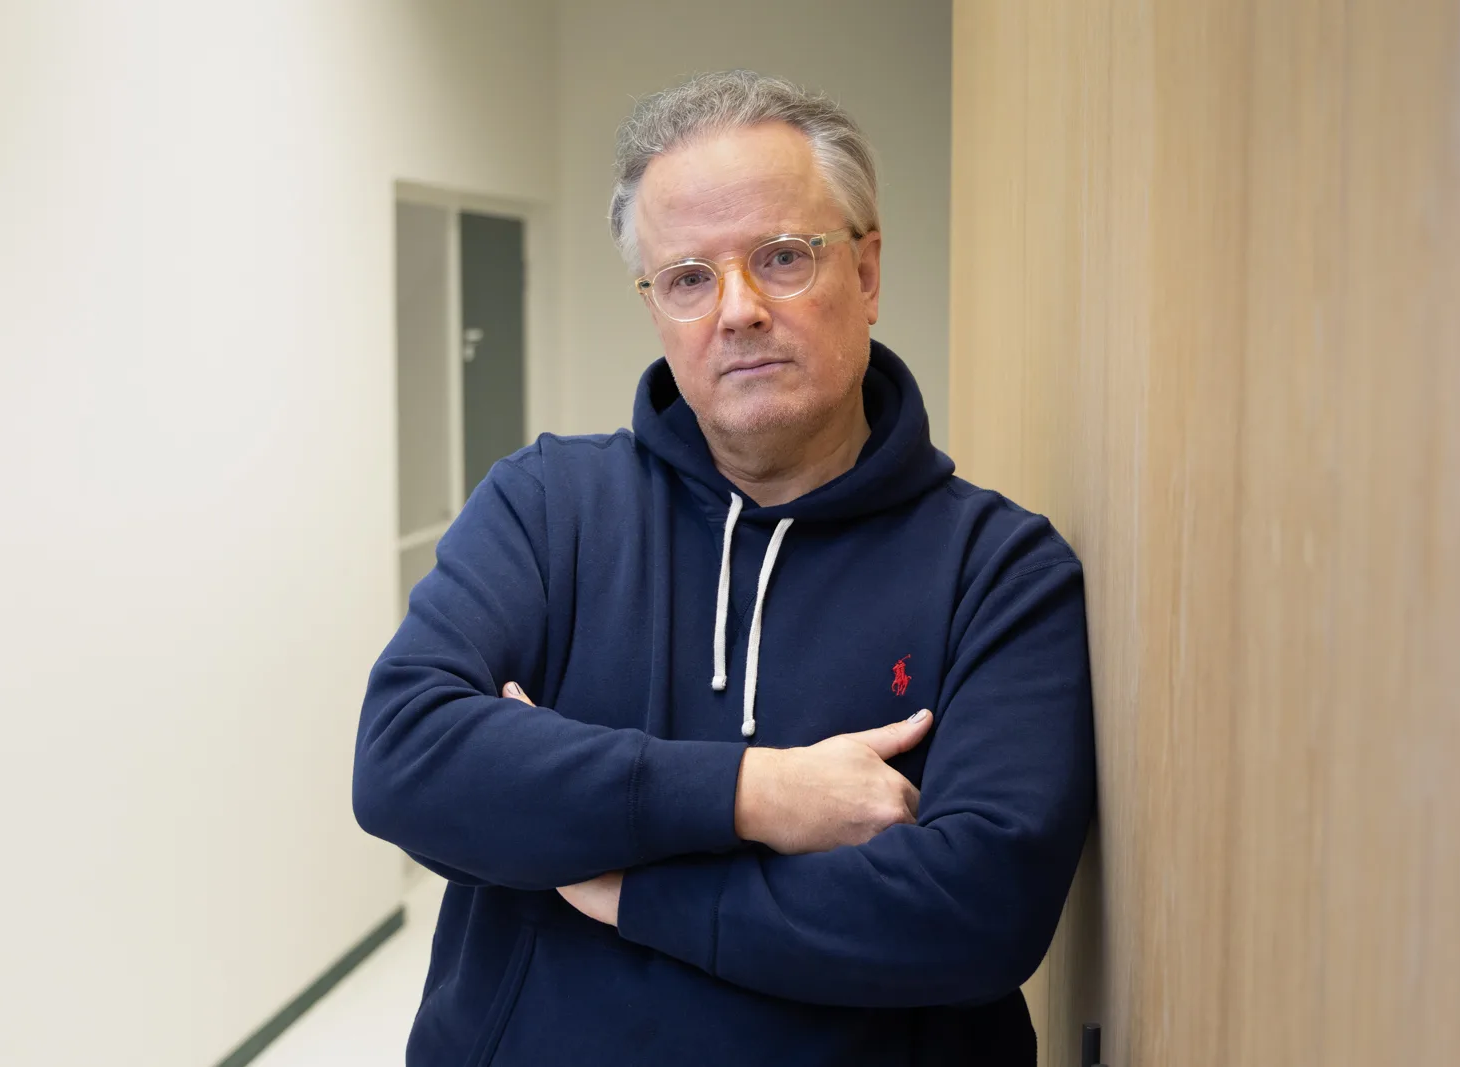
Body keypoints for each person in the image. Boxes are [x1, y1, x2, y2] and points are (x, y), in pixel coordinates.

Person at [353, 70, 1096, 1067]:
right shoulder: (547, 507)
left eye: (782, 257)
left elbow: (976, 908)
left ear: (867, 272)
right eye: (689, 277)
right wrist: (756, 794)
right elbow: (406, 760)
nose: (736, 310)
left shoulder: (998, 569)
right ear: (656, 305)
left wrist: (625, 883)